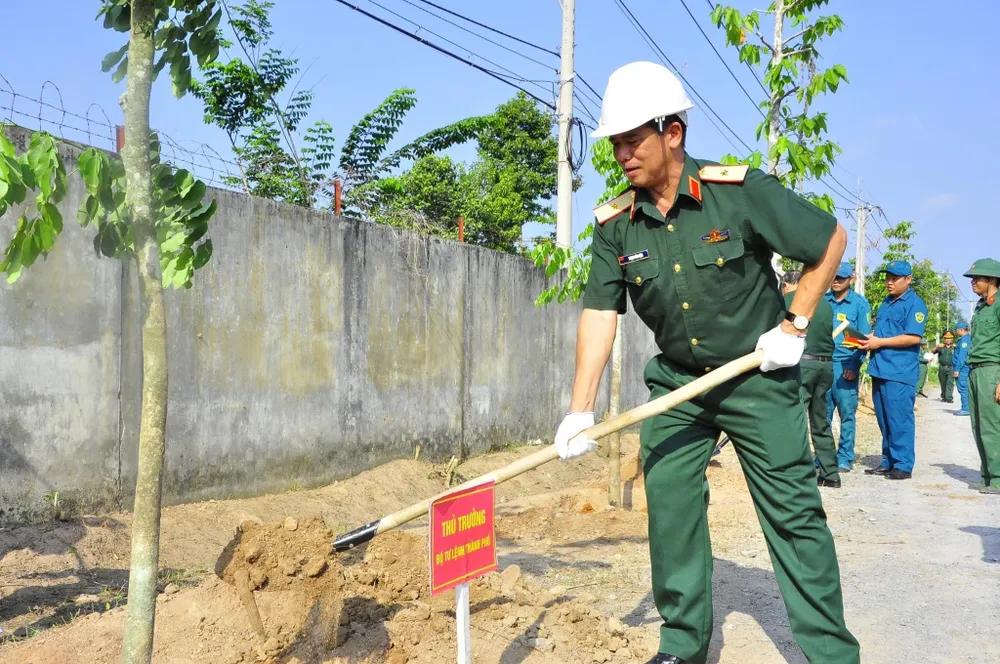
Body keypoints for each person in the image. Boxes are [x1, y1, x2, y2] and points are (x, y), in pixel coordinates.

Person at [553, 61, 859, 664]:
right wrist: (580, 409)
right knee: (667, 496)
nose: (621, 154)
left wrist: (793, 324)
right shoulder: (617, 225)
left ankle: (830, 653)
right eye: (614, 142)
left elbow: (829, 240)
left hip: (757, 374)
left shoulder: (736, 193)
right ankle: (683, 645)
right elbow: (600, 314)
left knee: (794, 512)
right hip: (680, 385)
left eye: (632, 138)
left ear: (673, 133)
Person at [861, 260, 928, 480]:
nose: (889, 282)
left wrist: (879, 343)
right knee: (884, 419)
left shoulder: (915, 305)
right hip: (880, 368)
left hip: (899, 372)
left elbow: (913, 337)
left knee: (899, 419)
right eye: (887, 278)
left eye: (894, 278)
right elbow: (881, 333)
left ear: (908, 279)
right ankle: (888, 460)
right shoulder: (886, 303)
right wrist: (868, 339)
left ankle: (903, 464)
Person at [783, 271, 840, 487]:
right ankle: (831, 473)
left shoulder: (790, 300)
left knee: (796, 420)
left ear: (788, 284)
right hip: (825, 366)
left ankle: (800, 474)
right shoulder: (825, 304)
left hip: (802, 366)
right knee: (819, 421)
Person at [825, 261, 872, 471]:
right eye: (833, 277)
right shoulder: (823, 300)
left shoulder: (859, 304)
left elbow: (864, 339)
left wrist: (854, 365)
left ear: (851, 280)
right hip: (823, 364)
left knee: (846, 414)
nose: (835, 282)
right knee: (821, 416)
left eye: (840, 279)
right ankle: (824, 456)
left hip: (845, 366)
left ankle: (844, 457)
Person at [963, 258, 1000, 494]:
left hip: (992, 369)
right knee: (977, 425)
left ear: (993, 280)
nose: (973, 282)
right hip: (975, 369)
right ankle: (986, 475)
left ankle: (998, 478)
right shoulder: (980, 306)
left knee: (992, 425)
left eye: (978, 278)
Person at [953, 322, 971, 416]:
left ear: (961, 330)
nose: (956, 332)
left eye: (956, 330)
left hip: (962, 368)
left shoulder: (964, 340)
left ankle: (966, 409)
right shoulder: (965, 339)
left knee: (963, 388)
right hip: (963, 368)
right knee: (964, 388)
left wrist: (957, 369)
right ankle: (965, 407)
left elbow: (962, 357)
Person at [933, 332, 956, 403]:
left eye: (949, 338)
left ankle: (949, 398)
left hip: (951, 367)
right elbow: (932, 351)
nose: (948, 340)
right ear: (944, 339)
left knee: (950, 382)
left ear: (952, 339)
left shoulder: (955, 348)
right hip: (942, 367)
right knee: (943, 382)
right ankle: (943, 396)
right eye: (946, 338)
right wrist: (937, 346)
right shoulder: (941, 347)